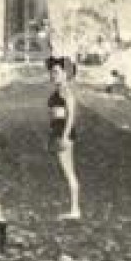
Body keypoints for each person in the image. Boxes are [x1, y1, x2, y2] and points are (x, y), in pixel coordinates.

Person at [46, 56, 82, 220]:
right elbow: (55, 115)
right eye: (52, 72)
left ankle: (75, 210)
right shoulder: (59, 91)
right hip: (57, 132)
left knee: (69, 173)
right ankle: (74, 208)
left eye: (56, 72)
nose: (53, 75)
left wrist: (64, 137)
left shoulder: (66, 92)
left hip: (62, 134)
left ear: (65, 74)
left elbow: (71, 116)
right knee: (66, 172)